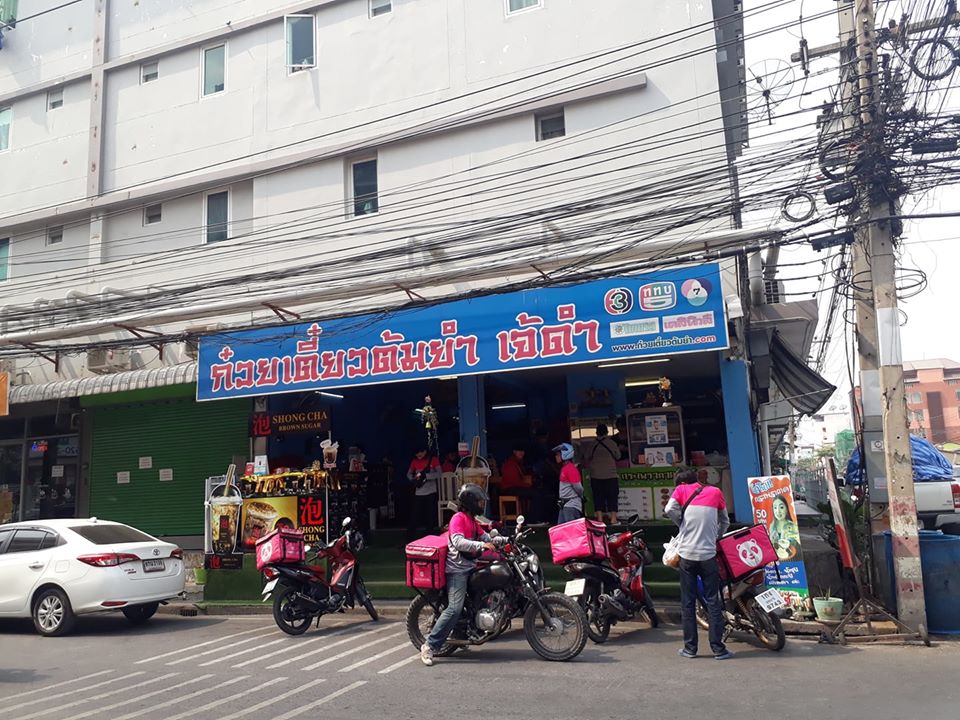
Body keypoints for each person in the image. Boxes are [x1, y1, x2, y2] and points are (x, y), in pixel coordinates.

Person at [421, 484, 505, 667]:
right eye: (479, 501)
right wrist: (480, 546)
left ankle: (466, 631)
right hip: (457, 571)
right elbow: (458, 542)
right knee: (454, 608)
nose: (482, 505)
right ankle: (430, 645)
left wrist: (506, 540)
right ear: (470, 502)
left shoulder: (472, 521)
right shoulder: (458, 519)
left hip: (471, 566)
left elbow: (487, 538)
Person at [664, 468, 734, 660]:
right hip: (708, 555)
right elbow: (725, 521)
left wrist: (682, 524)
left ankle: (690, 649)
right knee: (713, 601)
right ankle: (718, 649)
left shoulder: (680, 490)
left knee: (687, 603)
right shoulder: (715, 492)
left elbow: (669, 509)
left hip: (686, 555)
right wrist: (715, 536)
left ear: (682, 483)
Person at [587, 423, 621, 525]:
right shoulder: (612, 443)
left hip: (595, 475)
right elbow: (618, 456)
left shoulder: (592, 444)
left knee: (598, 496)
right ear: (607, 432)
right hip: (610, 475)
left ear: (596, 432)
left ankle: (600, 520)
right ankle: (613, 519)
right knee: (612, 496)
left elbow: (587, 456)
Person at [407, 447, 440, 540]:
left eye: (421, 452)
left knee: (430, 515)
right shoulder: (414, 461)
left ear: (425, 451)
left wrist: (426, 476)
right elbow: (408, 474)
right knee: (415, 514)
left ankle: (430, 536)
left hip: (431, 492)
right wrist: (413, 480)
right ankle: (410, 537)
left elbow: (439, 473)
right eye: (417, 453)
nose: (419, 455)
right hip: (419, 492)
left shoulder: (433, 460)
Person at [555, 443, 583, 523]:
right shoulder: (565, 468)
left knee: (571, 531)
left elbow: (578, 488)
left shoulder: (571, 469)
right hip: (565, 505)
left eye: (558, 454)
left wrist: (580, 496)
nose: (556, 456)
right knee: (561, 530)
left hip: (571, 505)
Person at [768, 495, 801, 561]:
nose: (778, 511)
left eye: (781, 507)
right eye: (775, 508)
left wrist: (793, 540)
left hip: (792, 562)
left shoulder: (792, 526)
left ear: (787, 509)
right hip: (776, 562)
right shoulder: (772, 526)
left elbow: (798, 546)